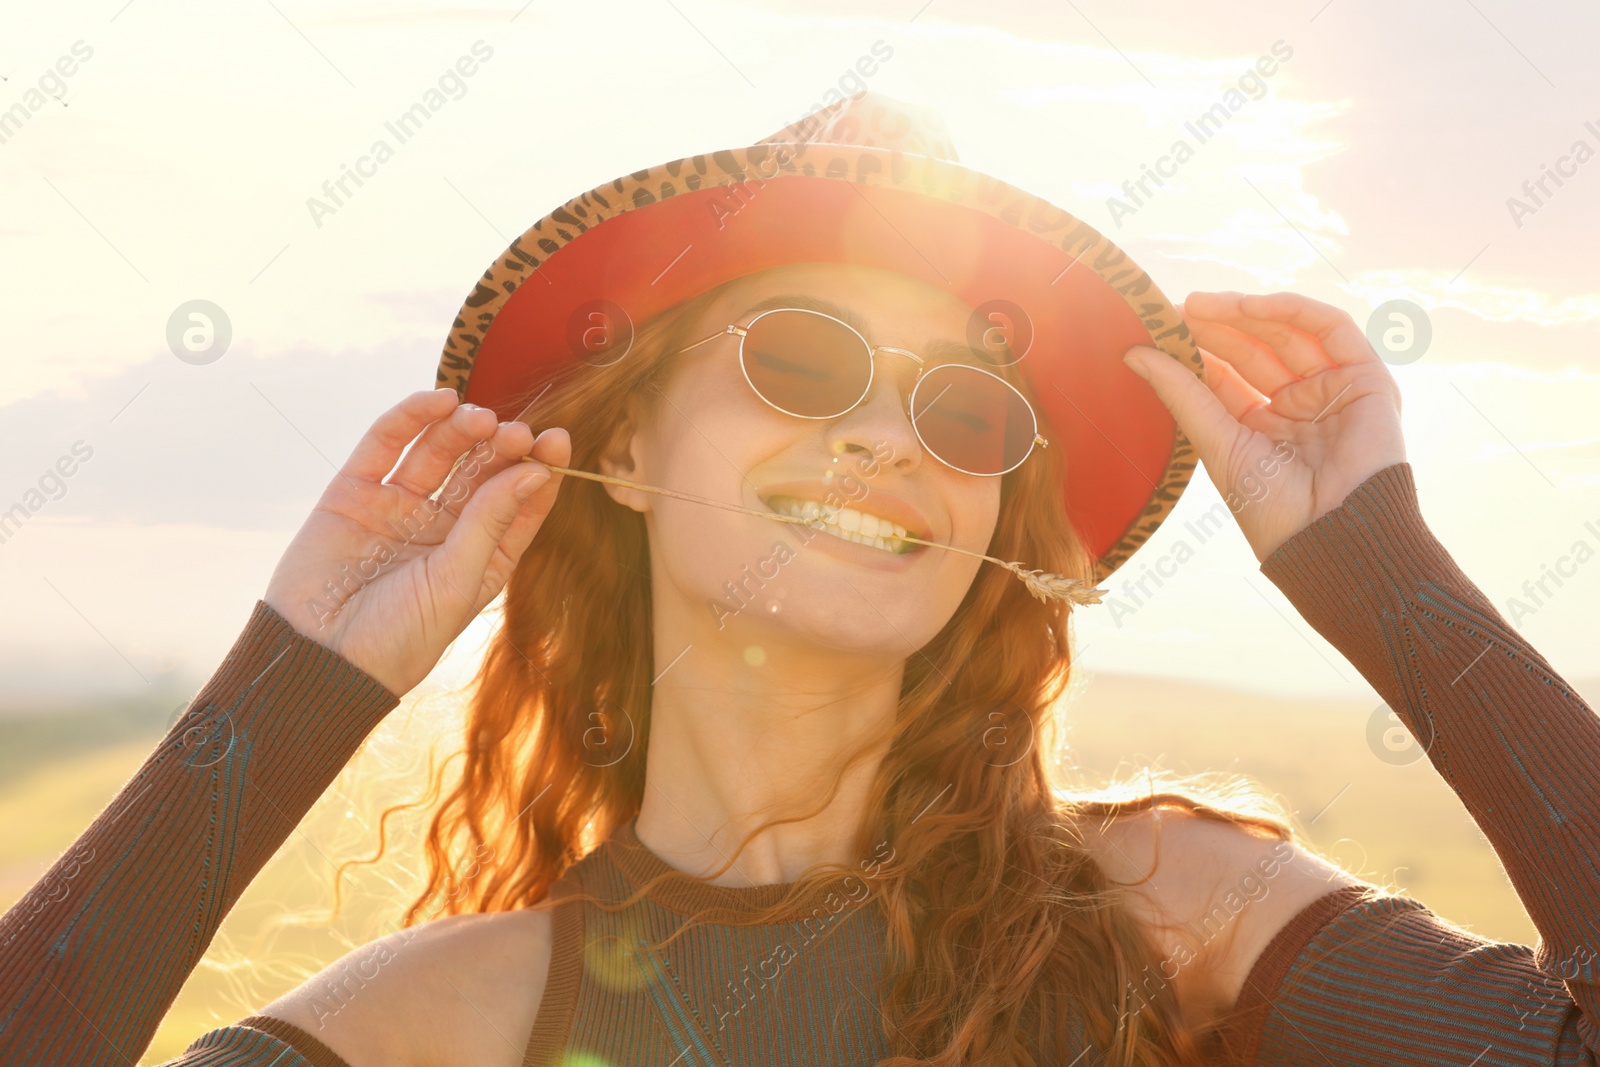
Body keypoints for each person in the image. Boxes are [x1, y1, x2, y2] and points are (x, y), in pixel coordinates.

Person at [2, 92, 1596, 1067]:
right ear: (621, 447)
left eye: (966, 408)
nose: (890, 436)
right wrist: (298, 682)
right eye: (806, 358)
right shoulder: (443, 1023)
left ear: (994, 529)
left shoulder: (1168, 916)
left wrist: (1378, 571)